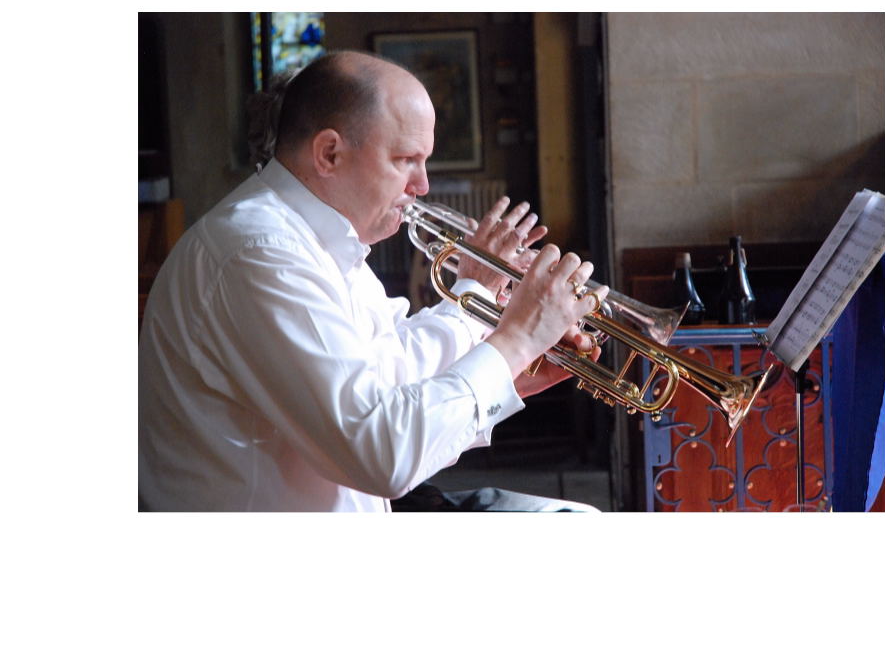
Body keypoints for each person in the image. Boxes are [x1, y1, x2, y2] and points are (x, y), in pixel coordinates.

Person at [138, 50, 607, 512]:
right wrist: (516, 338)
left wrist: (509, 375)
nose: (422, 186)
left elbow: (392, 377)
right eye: (406, 159)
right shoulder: (261, 252)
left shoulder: (325, 241)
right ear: (329, 153)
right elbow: (383, 455)